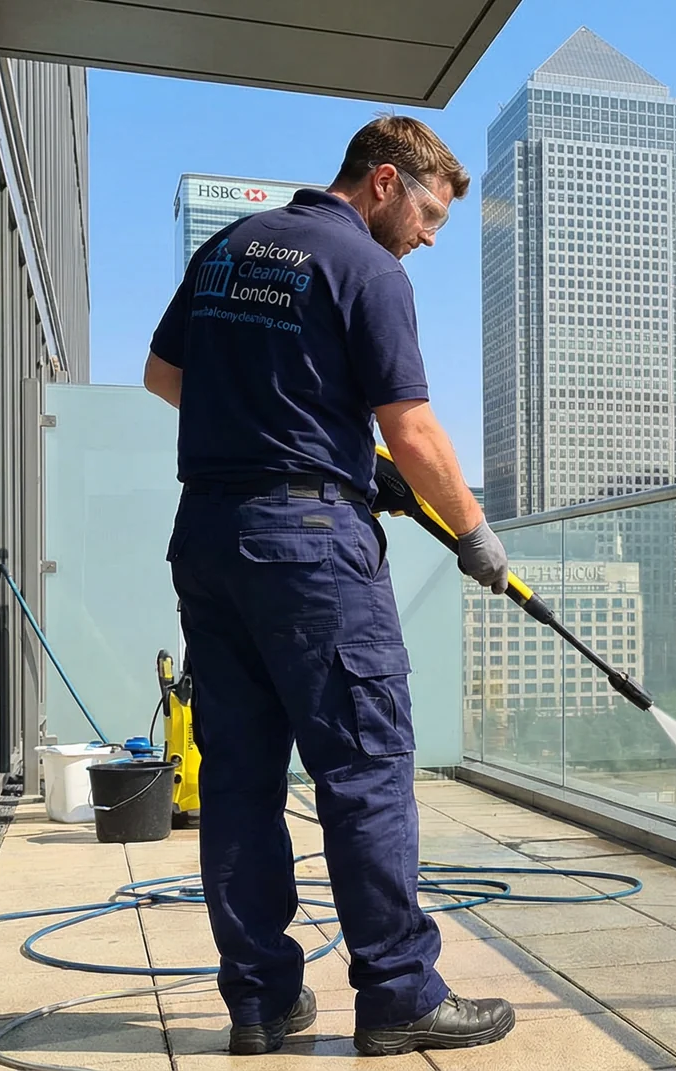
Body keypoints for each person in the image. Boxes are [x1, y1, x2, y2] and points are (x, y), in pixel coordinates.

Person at [144, 115, 514, 1058]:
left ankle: (261, 1004)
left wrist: (292, 431)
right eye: (430, 213)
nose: (430, 236)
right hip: (310, 550)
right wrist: (476, 540)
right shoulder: (365, 266)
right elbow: (415, 427)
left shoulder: (230, 248)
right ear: (385, 181)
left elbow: (163, 374)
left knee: (238, 777)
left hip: (212, 534)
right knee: (365, 768)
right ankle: (399, 995)